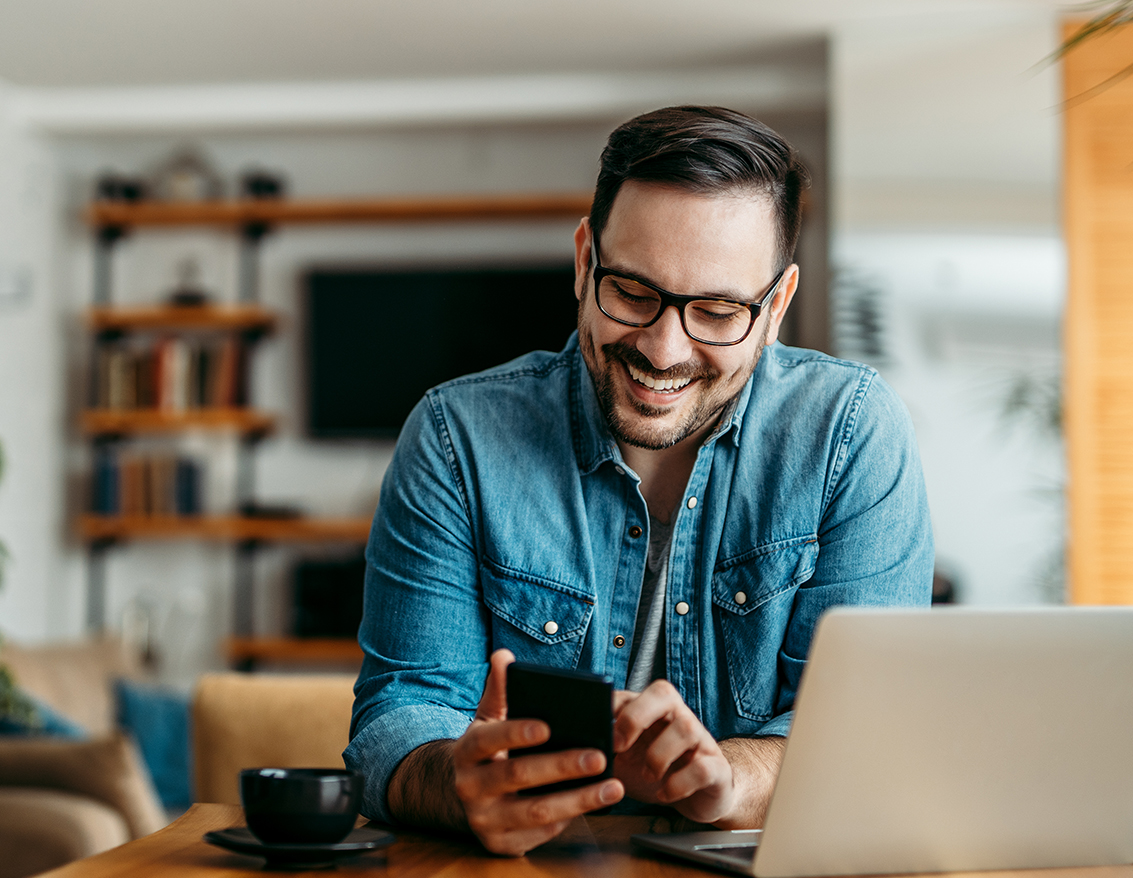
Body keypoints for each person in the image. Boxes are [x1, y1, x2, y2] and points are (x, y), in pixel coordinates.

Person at [344, 106, 933, 856]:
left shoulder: (851, 433)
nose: (663, 349)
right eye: (632, 292)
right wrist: (457, 783)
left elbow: (866, 734)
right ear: (586, 260)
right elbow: (400, 716)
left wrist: (729, 780)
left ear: (776, 305)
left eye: (718, 311)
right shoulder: (456, 438)